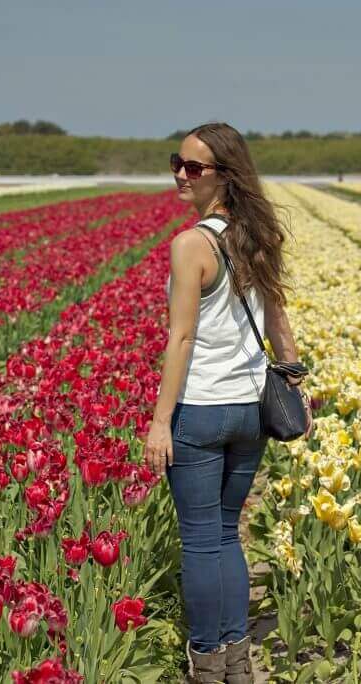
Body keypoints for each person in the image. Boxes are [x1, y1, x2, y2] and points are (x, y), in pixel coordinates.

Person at [144, 122, 312, 683]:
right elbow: (279, 317)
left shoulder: (192, 245)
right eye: (177, 162)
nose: (180, 175)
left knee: (199, 540)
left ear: (224, 176)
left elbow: (181, 339)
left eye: (194, 168)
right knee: (225, 534)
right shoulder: (257, 237)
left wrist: (160, 421)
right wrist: (295, 383)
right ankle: (238, 659)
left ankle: (207, 661)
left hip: (202, 410)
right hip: (249, 412)